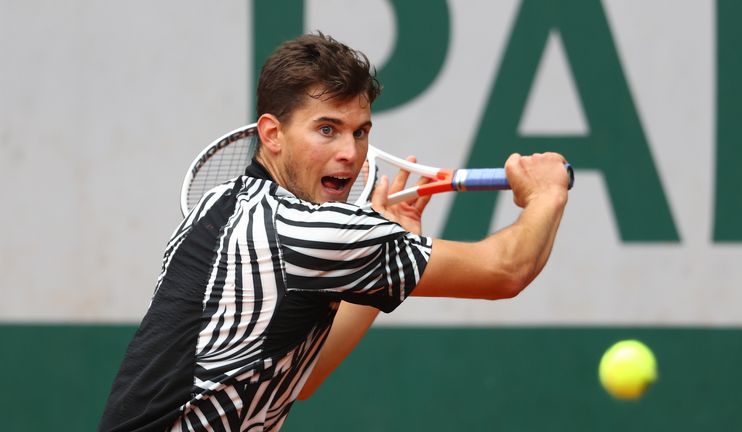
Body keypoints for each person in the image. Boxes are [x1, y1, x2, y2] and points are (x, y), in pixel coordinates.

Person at [99, 32, 570, 432]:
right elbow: (506, 270)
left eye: (360, 132)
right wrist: (546, 195)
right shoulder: (312, 232)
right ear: (272, 134)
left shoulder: (216, 205)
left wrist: (381, 261)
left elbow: (302, 377)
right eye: (327, 129)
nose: (350, 151)